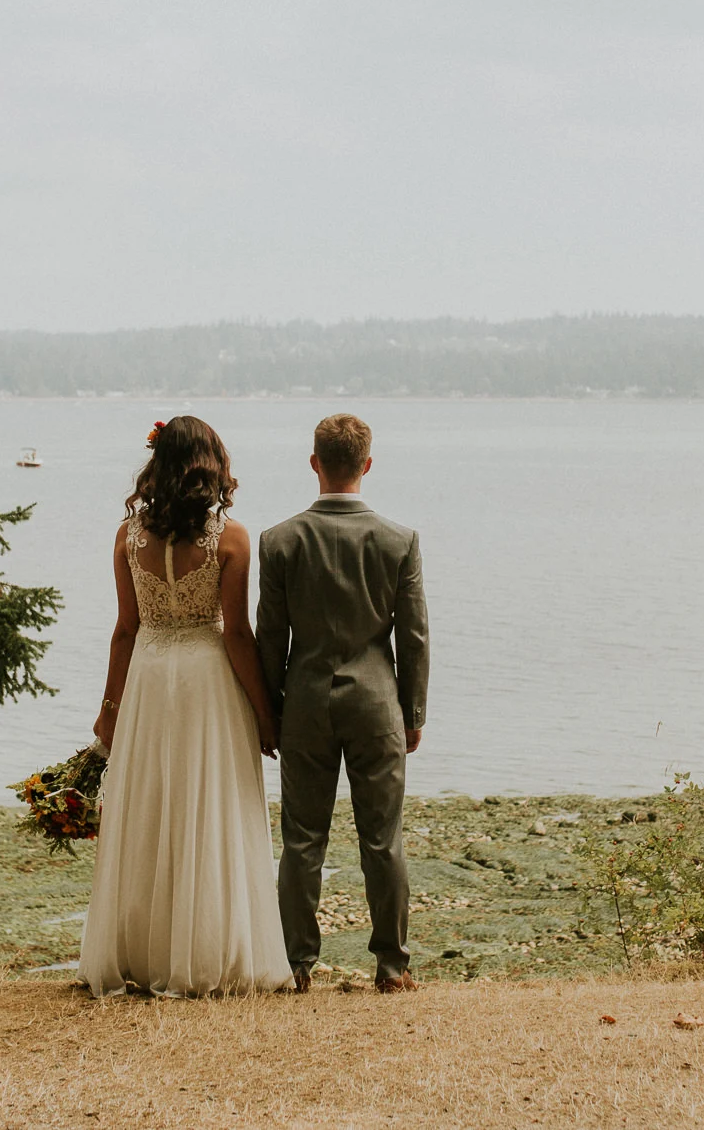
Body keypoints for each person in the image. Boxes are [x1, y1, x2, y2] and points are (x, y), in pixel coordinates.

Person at [78, 416, 292, 997]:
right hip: (206, 682)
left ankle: (140, 953)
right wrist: (266, 713)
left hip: (148, 675)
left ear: (159, 464)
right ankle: (207, 952)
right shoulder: (231, 538)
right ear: (211, 466)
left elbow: (125, 630)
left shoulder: (127, 537)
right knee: (209, 804)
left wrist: (109, 710)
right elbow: (237, 636)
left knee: (149, 807)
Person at [257, 413, 430, 993]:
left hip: (305, 703)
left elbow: (268, 638)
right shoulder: (397, 540)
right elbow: (414, 638)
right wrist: (414, 713)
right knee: (382, 837)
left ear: (314, 464)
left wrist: (270, 711)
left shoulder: (280, 541)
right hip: (377, 703)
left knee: (302, 839)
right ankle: (391, 965)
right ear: (368, 464)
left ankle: (296, 966)